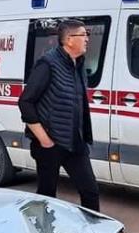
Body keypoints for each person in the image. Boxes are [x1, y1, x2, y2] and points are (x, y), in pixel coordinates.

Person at [18, 19, 100, 211]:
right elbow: (25, 102)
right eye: (83, 34)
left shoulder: (78, 64)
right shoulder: (48, 64)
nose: (87, 38)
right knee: (47, 196)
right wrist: (44, 139)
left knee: (90, 191)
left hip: (75, 143)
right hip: (50, 145)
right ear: (69, 40)